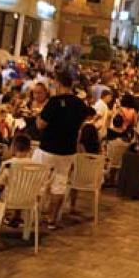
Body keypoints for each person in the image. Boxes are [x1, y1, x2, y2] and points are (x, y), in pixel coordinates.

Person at [34, 70, 96, 230]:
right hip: (68, 149)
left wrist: (38, 117)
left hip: (48, 147)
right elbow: (86, 119)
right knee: (59, 184)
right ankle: (52, 219)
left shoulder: (54, 102)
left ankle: (33, 214)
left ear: (58, 83)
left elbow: (41, 124)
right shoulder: (79, 103)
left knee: (38, 181)